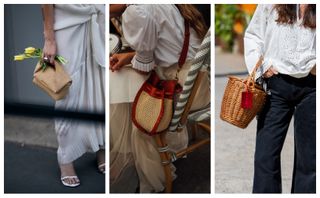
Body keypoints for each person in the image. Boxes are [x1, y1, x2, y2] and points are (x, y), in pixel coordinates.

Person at [109, 4, 210, 192]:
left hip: (183, 91)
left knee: (141, 124)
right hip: (200, 84)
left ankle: (155, 183)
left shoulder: (137, 11)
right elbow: (170, 47)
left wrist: (132, 59)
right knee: (126, 82)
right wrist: (132, 56)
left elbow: (144, 67)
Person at [244, 4, 316, 193]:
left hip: (313, 87)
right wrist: (262, 66)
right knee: (265, 157)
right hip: (276, 85)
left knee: (310, 160)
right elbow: (253, 35)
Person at [42, 4, 105, 187]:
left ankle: (100, 146)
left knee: (99, 87)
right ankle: (66, 158)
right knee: (68, 93)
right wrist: (49, 38)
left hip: (95, 17)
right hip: (66, 21)